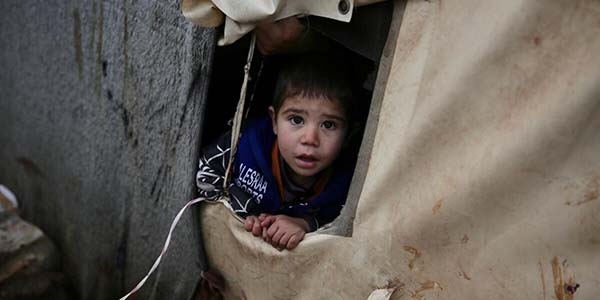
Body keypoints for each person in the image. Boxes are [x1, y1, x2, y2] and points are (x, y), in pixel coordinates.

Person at [196, 53, 361, 251]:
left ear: (349, 135)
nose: (310, 138)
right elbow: (204, 173)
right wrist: (248, 213)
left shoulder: (349, 183)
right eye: (296, 120)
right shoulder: (244, 143)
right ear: (274, 121)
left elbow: (339, 218)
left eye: (328, 124)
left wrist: (304, 224)